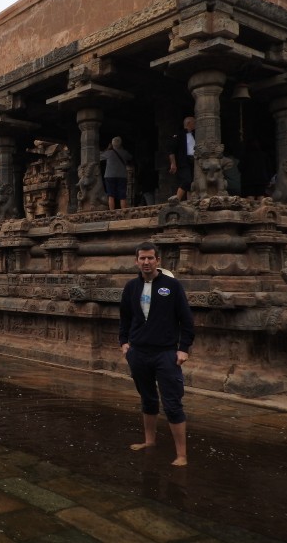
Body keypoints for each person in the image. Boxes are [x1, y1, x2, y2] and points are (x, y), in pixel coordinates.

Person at [119, 242, 194, 467]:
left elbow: (186, 320)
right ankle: (149, 441)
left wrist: (184, 348)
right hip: (139, 352)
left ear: (157, 260)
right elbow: (125, 318)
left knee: (172, 403)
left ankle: (181, 454)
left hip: (166, 353)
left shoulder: (171, 286)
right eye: (142, 258)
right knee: (148, 398)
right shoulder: (131, 287)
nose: (146, 262)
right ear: (136, 261)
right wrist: (124, 342)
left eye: (150, 258)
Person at [100, 136, 133, 209]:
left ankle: (112, 213)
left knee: (111, 196)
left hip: (109, 176)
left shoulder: (109, 153)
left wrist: (108, 148)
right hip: (122, 176)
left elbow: (100, 156)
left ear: (112, 144)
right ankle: (124, 212)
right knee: (122, 196)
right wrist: (122, 149)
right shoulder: (124, 152)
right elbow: (130, 157)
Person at [168, 116, 196, 201]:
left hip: (194, 161)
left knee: (192, 183)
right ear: (188, 123)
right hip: (183, 161)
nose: (196, 125)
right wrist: (173, 163)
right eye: (194, 123)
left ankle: (190, 201)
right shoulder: (179, 135)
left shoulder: (195, 134)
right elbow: (171, 150)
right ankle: (177, 199)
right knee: (186, 180)